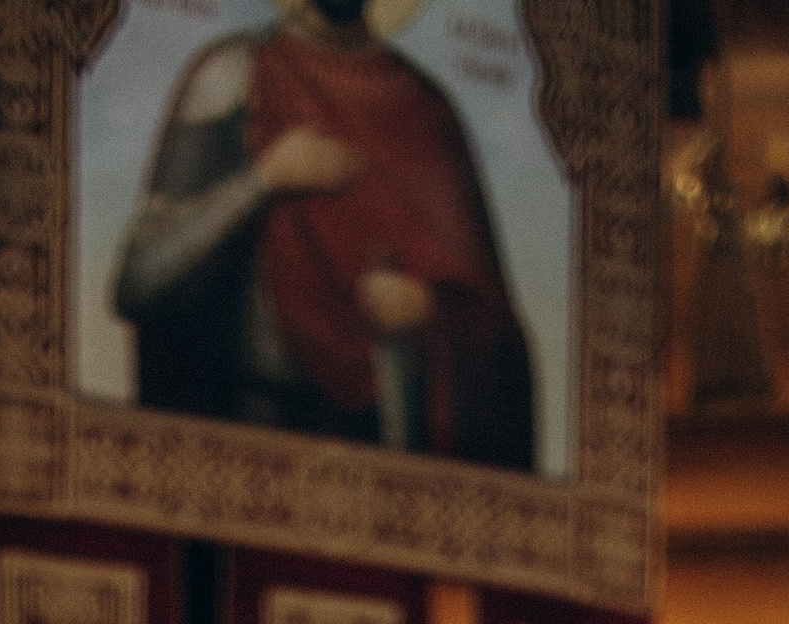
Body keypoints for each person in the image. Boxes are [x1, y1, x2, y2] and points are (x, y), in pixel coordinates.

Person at [111, 0, 535, 468]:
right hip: (245, 429)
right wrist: (265, 180)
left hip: (375, 450)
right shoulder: (235, 74)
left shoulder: (424, 108)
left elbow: (497, 328)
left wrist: (430, 308)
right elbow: (139, 281)